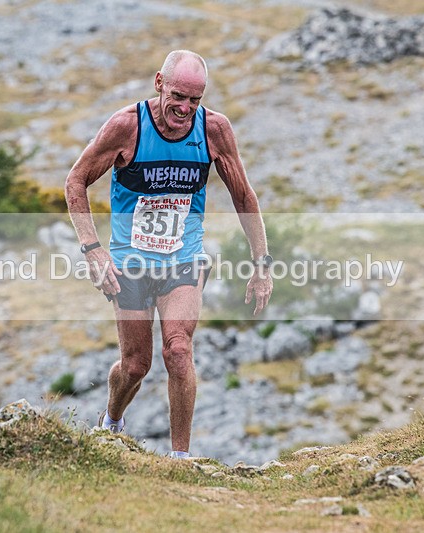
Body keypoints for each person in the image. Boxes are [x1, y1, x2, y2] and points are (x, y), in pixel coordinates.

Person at [64, 50, 273, 459]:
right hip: (130, 264)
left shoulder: (214, 130)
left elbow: (244, 195)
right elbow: (75, 181)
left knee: (178, 350)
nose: (185, 108)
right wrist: (92, 250)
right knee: (135, 365)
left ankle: (180, 459)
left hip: (184, 260)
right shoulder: (127, 126)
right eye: (178, 96)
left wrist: (261, 262)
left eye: (195, 100)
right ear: (159, 83)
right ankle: (112, 421)